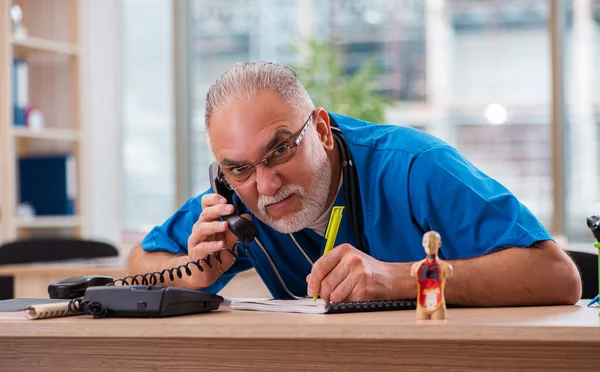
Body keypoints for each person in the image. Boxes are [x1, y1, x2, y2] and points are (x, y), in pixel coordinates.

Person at [127, 61, 581, 307]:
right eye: (240, 168)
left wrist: (402, 278)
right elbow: (137, 265)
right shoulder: (235, 196)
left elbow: (557, 276)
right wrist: (192, 270)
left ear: (321, 131)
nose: (266, 185)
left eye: (281, 149)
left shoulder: (415, 166)